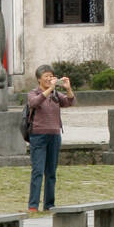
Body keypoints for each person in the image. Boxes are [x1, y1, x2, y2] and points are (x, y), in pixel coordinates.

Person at [26, 65, 76, 212]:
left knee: (51, 172)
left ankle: (49, 204)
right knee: (38, 171)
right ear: (39, 79)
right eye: (46, 76)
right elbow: (34, 103)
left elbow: (70, 102)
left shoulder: (56, 94)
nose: (49, 79)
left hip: (54, 136)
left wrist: (67, 88)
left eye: (51, 76)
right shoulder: (33, 93)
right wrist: (49, 90)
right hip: (38, 136)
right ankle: (33, 205)